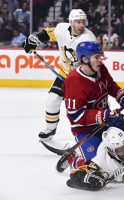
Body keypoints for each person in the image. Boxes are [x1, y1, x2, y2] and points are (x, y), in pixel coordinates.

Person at [60, 41, 124, 172]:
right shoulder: (73, 81)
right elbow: (76, 116)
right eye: (96, 57)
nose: (100, 60)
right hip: (85, 129)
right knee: (96, 166)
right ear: (85, 59)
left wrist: (123, 95)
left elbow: (111, 86)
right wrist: (104, 115)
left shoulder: (100, 69)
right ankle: (74, 159)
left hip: (108, 121)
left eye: (100, 56)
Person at [22, 9, 97, 141]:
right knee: (52, 99)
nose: (81, 25)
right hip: (65, 73)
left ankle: (89, 132)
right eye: (78, 22)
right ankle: (50, 130)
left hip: (82, 78)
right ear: (71, 22)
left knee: (81, 109)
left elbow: (94, 63)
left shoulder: (89, 39)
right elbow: (47, 33)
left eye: (83, 22)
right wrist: (33, 40)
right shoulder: (62, 29)